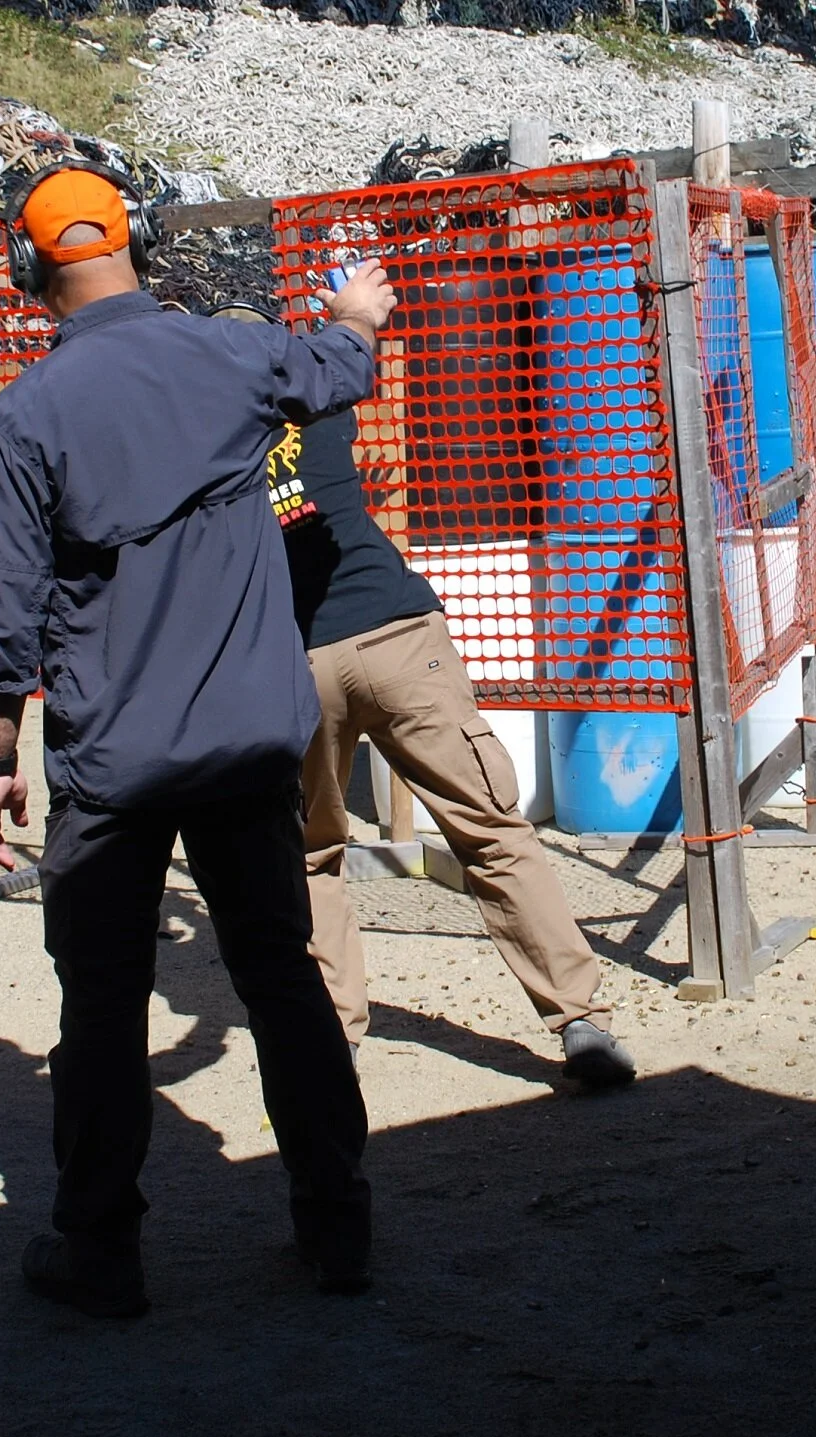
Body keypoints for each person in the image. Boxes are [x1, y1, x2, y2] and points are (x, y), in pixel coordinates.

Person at [0, 161, 397, 1317]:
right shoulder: (228, 353)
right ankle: (335, 1225)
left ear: (29, 271)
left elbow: (3, 604)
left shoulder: (23, 417)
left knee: (99, 1006)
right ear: (136, 247)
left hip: (112, 765)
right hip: (248, 747)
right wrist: (355, 313)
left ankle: (99, 1250)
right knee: (278, 976)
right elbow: (340, 361)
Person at [210, 303, 637, 1088]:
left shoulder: (201, 452)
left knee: (311, 858)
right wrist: (350, 315)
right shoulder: (321, 404)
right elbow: (349, 350)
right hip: (400, 637)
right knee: (492, 831)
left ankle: (331, 1041)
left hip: (296, 664)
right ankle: (582, 1022)